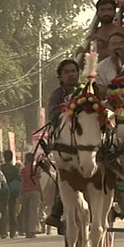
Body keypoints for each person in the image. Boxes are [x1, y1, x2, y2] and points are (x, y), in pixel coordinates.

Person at [44, 60, 80, 230]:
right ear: (60, 76)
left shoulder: (86, 92)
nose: (71, 74)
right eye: (66, 72)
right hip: (65, 144)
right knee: (63, 175)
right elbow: (53, 115)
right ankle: (56, 211)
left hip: (88, 143)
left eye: (73, 71)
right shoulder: (56, 95)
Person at [20, 152, 42, 239]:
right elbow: (38, 182)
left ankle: (26, 231)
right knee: (33, 212)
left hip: (26, 192)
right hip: (35, 191)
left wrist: (20, 194)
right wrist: (41, 194)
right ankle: (32, 231)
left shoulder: (23, 170)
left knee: (26, 212)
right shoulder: (36, 169)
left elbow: (22, 183)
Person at [0, 150, 20, 239]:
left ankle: (3, 231)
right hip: (12, 191)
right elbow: (18, 180)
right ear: (11, 157)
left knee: (3, 211)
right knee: (12, 211)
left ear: (4, 157)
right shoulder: (15, 169)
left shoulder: (1, 168)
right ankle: (13, 231)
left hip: (3, 191)